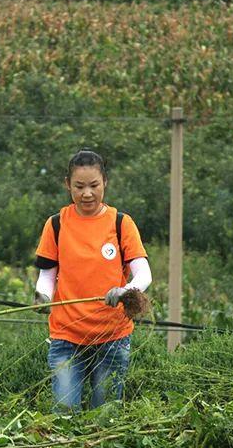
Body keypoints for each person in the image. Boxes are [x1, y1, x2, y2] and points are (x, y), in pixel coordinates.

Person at [33, 149, 152, 411]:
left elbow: (143, 273)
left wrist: (124, 291)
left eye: (94, 186)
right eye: (79, 186)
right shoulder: (56, 225)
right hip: (66, 336)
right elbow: (46, 276)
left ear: (105, 183)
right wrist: (42, 296)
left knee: (104, 416)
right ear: (68, 185)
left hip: (112, 335)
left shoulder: (121, 224)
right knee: (65, 412)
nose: (87, 193)